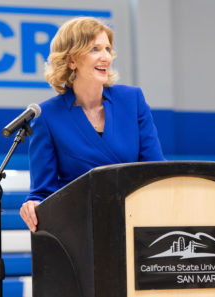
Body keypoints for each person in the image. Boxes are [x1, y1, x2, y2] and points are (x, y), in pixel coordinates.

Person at [19, 17, 165, 232]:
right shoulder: (47, 115)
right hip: (81, 227)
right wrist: (33, 205)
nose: (106, 57)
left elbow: (156, 170)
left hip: (137, 223)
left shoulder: (132, 99)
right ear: (71, 60)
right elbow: (42, 193)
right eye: (95, 49)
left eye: (108, 49)